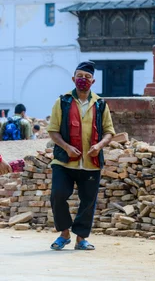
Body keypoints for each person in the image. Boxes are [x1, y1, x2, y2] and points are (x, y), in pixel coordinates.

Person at [47, 61, 115, 251]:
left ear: (93, 81)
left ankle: (81, 239)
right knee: (57, 195)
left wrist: (99, 146)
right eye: (79, 76)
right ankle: (64, 234)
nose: (82, 80)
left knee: (88, 201)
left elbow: (109, 132)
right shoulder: (62, 102)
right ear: (73, 79)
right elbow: (53, 131)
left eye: (87, 77)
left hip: (91, 163)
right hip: (64, 161)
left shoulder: (101, 104)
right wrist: (67, 147)